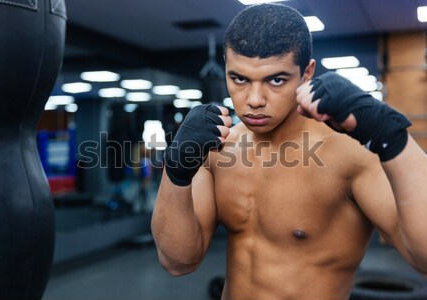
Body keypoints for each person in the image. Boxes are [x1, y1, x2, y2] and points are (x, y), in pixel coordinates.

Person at [151, 3, 427, 299]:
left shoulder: (350, 155)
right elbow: (178, 261)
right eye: (240, 79)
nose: (255, 100)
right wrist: (176, 168)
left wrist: (394, 139)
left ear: (306, 73)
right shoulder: (219, 149)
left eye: (276, 79)